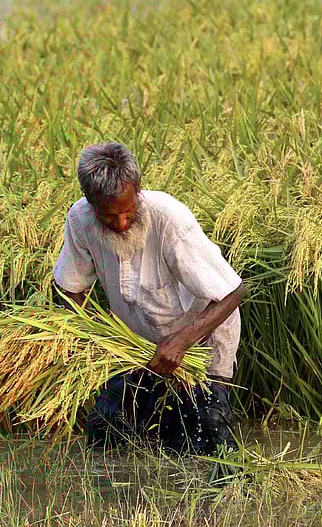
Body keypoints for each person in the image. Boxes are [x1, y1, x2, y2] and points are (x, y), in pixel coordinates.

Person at [52, 142, 245, 454]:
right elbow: (69, 286)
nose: (121, 224)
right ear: (90, 203)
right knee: (107, 429)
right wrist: (92, 335)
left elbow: (233, 292)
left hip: (201, 341)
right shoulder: (81, 220)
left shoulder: (170, 219)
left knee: (203, 434)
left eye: (127, 211)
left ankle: (218, 496)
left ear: (137, 189)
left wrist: (182, 341)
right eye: (108, 216)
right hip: (138, 349)